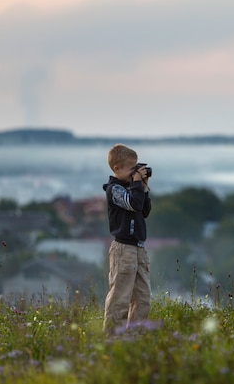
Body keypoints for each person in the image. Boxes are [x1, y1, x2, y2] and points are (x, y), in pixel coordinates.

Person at [102, 143, 152, 335]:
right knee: (120, 298)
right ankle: (112, 338)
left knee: (142, 298)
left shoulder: (134, 187)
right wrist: (137, 184)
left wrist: (143, 186)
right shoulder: (114, 189)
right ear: (117, 168)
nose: (135, 173)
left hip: (139, 248)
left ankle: (135, 339)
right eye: (132, 169)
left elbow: (144, 210)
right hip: (124, 249)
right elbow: (133, 204)